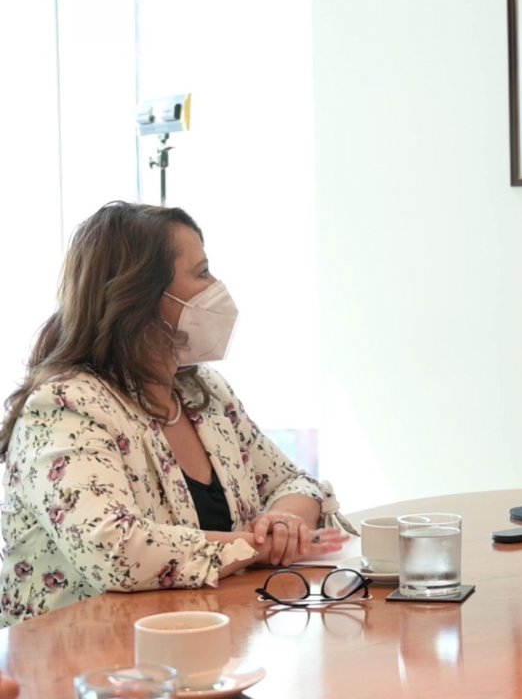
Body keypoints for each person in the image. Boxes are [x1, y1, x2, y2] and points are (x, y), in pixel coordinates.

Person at [0, 202, 350, 626]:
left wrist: (285, 524)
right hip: (81, 676)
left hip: (197, 651)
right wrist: (255, 547)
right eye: (201, 273)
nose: (217, 286)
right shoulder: (63, 408)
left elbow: (292, 481)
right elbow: (115, 549)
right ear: (142, 296)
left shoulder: (203, 391)